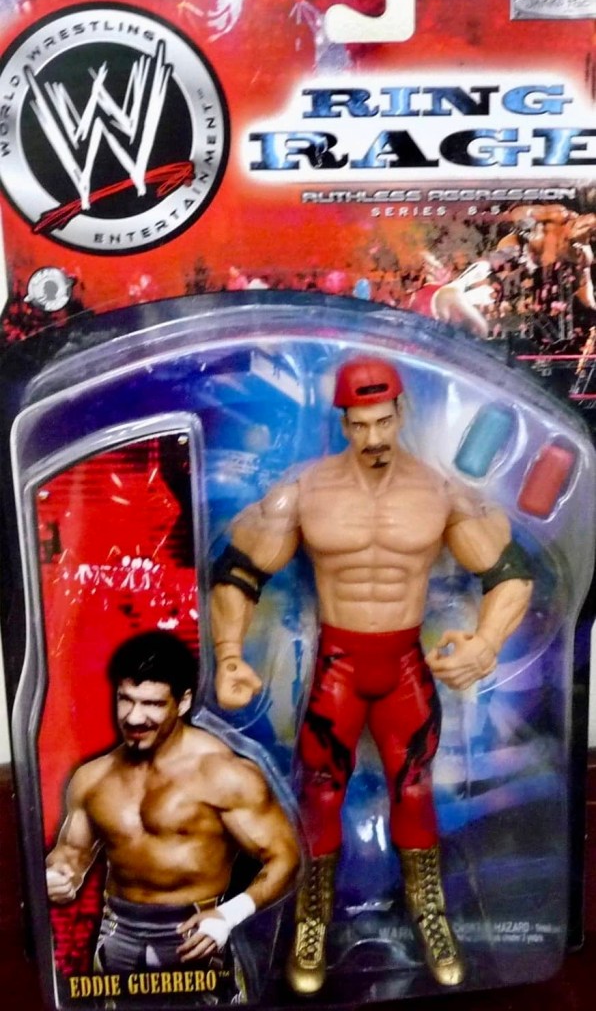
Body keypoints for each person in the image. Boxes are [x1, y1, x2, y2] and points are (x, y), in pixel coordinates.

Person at [210, 357, 533, 994]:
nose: (374, 438)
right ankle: (311, 917)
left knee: (413, 789)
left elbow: (509, 572)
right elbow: (239, 569)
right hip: (338, 663)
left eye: (383, 421)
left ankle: (430, 912)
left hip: (405, 664)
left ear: (401, 413)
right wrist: (227, 653)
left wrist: (487, 643)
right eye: (360, 425)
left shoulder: (439, 492)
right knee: (321, 790)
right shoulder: (305, 491)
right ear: (343, 423)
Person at [46, 631, 300, 1000]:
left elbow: (285, 858)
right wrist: (59, 876)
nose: (134, 716)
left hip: (196, 931)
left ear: (182, 702)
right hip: (118, 931)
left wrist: (229, 916)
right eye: (126, 700)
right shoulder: (93, 778)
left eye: (152, 704)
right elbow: (71, 854)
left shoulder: (223, 774)